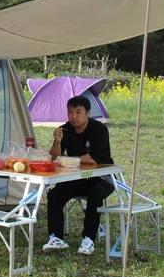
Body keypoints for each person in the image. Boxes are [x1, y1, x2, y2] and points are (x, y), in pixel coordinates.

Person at [42, 94, 114, 255]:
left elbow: (93, 159)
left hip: (101, 178)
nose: (73, 116)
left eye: (78, 112)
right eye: (70, 112)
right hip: (76, 178)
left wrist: (69, 160)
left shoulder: (99, 129)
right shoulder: (65, 129)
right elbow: (54, 158)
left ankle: (88, 238)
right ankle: (56, 238)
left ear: (87, 113)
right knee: (54, 194)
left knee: (95, 193)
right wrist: (57, 142)